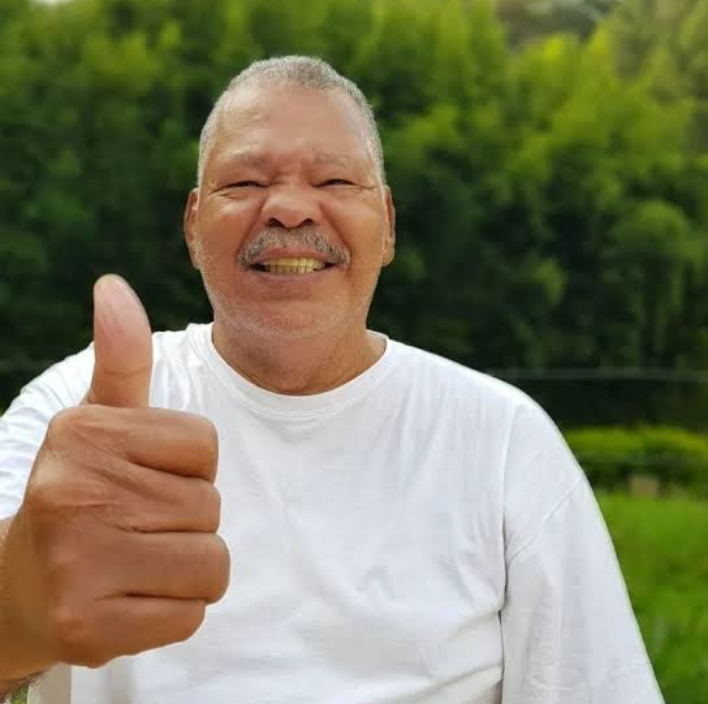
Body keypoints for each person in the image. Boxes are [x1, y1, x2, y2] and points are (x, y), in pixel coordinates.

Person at [0, 56, 664, 704]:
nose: (290, 209)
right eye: (245, 183)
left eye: (337, 183)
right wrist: (18, 612)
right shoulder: (77, 416)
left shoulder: (502, 441)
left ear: (389, 227)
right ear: (193, 228)